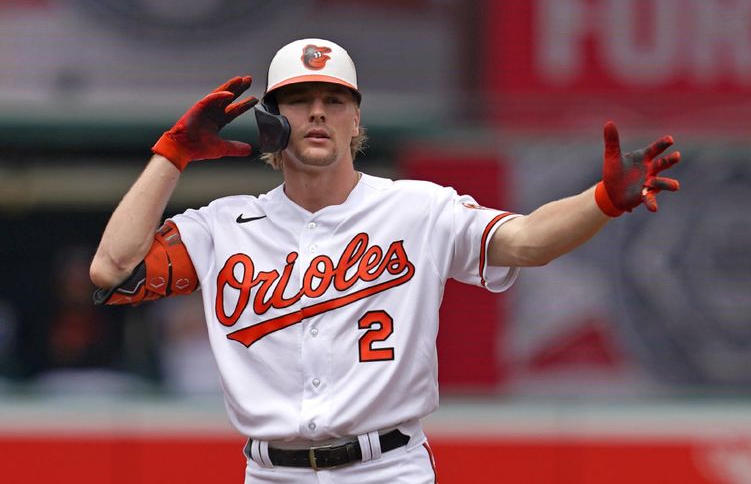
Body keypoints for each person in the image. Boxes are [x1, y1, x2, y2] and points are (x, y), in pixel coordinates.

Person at [90, 37, 680, 483]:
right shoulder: (223, 225)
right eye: (298, 101)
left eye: (333, 100)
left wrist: (600, 202)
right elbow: (113, 271)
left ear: (356, 121)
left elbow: (526, 241)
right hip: (271, 472)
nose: (317, 112)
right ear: (271, 122)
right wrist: (173, 154)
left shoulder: (416, 207)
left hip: (387, 469)